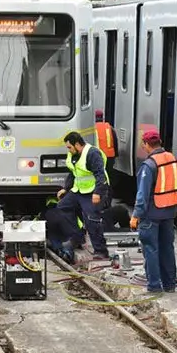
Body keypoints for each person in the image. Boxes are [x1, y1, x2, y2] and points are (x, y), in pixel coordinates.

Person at [129, 130, 177, 293]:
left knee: (151, 248)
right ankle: (170, 284)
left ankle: (154, 285)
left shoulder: (149, 165)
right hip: (169, 211)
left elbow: (142, 194)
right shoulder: (172, 159)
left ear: (146, 144)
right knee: (167, 248)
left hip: (151, 213)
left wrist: (136, 215)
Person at [56, 131, 111, 260]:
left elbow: (100, 175)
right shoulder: (73, 155)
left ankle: (101, 251)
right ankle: (78, 237)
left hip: (93, 191)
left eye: (69, 147)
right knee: (63, 207)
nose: (68, 150)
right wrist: (66, 188)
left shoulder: (92, 153)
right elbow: (73, 173)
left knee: (91, 220)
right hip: (79, 190)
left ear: (77, 144)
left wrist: (98, 192)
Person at [94, 109, 117, 185]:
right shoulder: (109, 127)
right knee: (109, 176)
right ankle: (109, 192)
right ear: (102, 117)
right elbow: (115, 141)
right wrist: (116, 154)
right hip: (110, 156)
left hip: (97, 156)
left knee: (98, 175)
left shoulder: (91, 128)